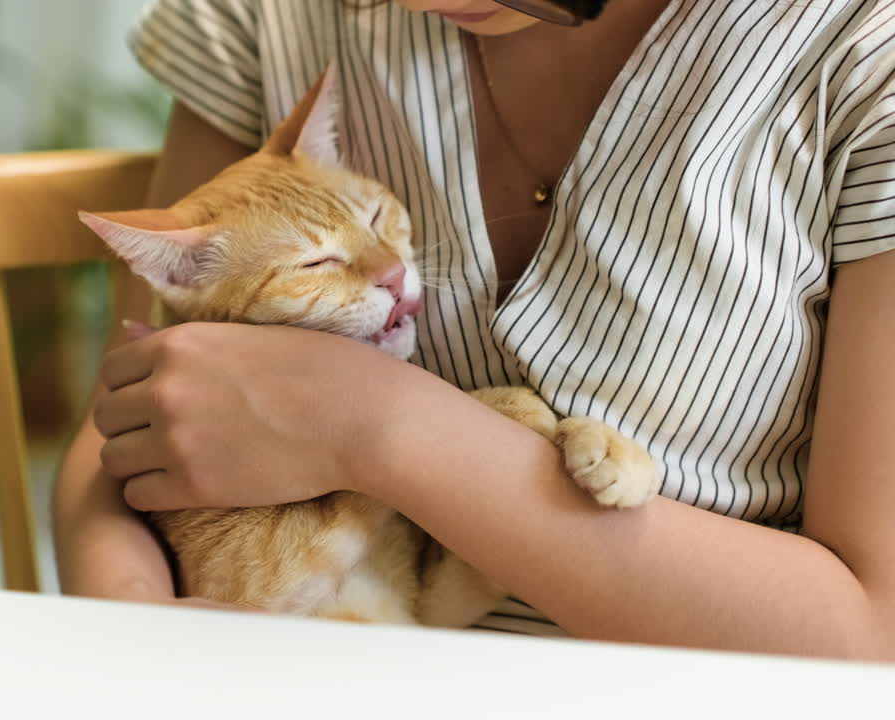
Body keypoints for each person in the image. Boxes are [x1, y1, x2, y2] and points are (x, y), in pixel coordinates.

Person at [54, 0, 895, 659]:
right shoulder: (265, 16)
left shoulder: (864, 50)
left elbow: (870, 642)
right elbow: (132, 416)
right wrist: (138, 630)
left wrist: (378, 425)